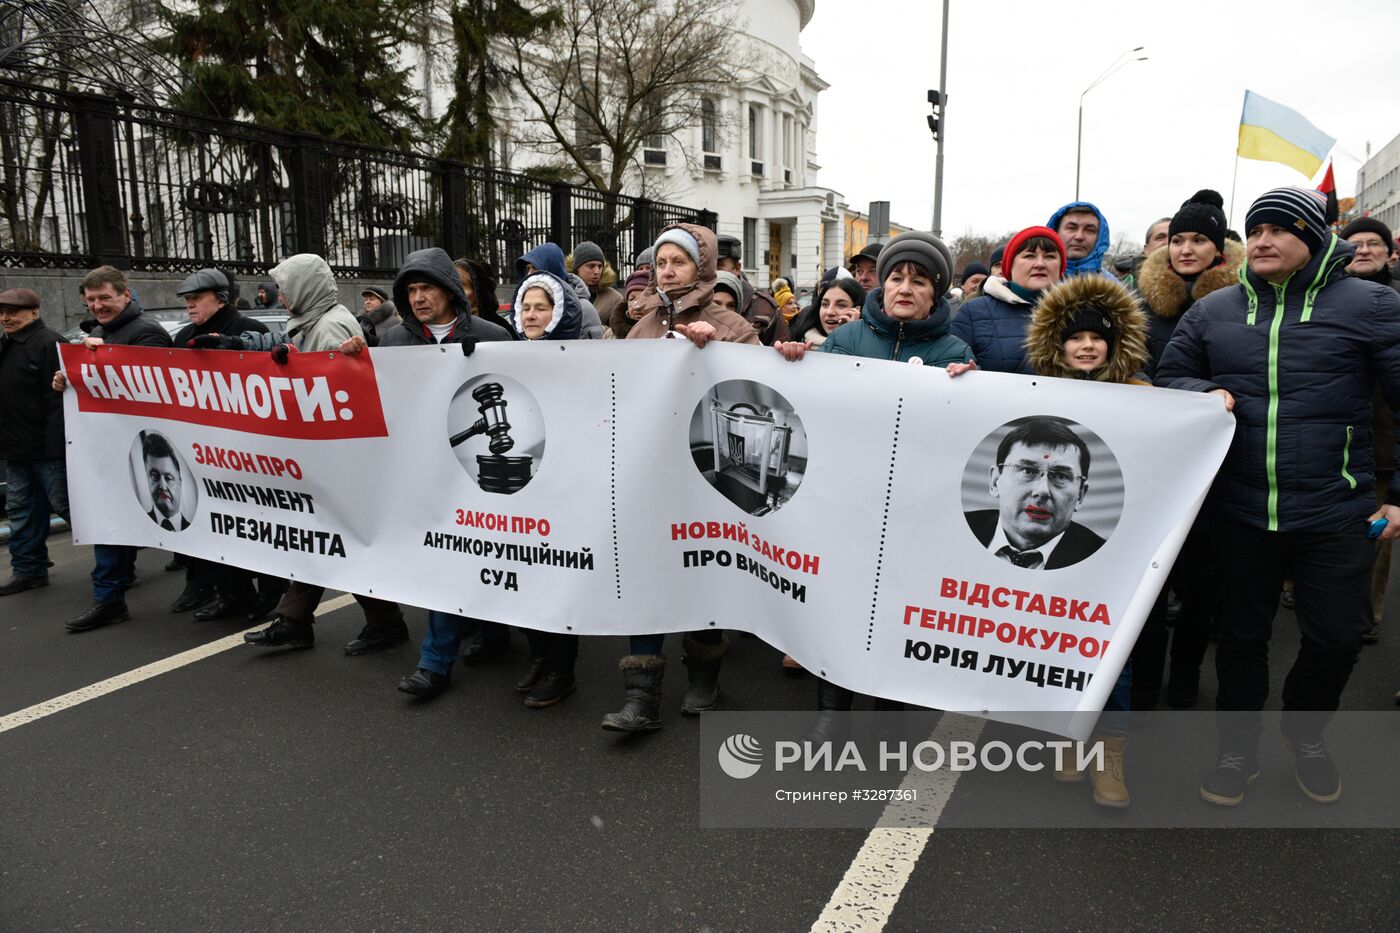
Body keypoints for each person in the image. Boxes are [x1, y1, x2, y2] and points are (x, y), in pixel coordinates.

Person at [1156, 187, 1400, 807]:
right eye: (1254, 229)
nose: (1262, 240)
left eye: (1279, 229)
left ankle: (1306, 733)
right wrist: (1200, 391)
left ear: (1314, 238)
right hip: (1240, 510)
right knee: (1241, 637)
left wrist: (1397, 495)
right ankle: (1236, 751)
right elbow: (1169, 379)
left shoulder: (1372, 306)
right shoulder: (1213, 312)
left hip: (1335, 509)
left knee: (1338, 637)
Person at [774, 231, 973, 740]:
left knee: (897, 607)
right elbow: (809, 403)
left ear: (938, 292)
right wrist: (794, 357)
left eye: (919, 280)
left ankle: (890, 711)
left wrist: (971, 385)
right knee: (840, 600)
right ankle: (832, 707)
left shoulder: (955, 351)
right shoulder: (846, 340)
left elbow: (966, 431)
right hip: (849, 499)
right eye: (896, 277)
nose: (905, 287)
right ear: (881, 286)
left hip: (912, 506)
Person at [602, 223, 758, 733]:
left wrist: (715, 352)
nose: (667, 272)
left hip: (708, 476)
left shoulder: (731, 324)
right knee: (648, 573)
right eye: (661, 263)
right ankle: (641, 696)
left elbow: (757, 395)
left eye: (680, 262)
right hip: (650, 475)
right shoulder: (640, 324)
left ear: (702, 269)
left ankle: (704, 677)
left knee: (701, 572)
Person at [395, 269, 575, 706]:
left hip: (525, 483)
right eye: (411, 291)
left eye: (427, 288)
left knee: (535, 569)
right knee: (452, 560)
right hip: (441, 478)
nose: (419, 298)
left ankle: (554, 662)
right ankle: (436, 662)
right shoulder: (394, 341)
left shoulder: (494, 336)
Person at [242, 254, 413, 655]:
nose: (281, 297)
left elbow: (339, 392)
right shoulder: (312, 322)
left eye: (286, 287)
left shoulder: (331, 325)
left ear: (304, 287)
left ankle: (380, 624)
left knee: (337, 542)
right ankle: (296, 621)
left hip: (338, 457)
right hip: (323, 454)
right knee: (320, 541)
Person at [1023, 272, 1150, 806]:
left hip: (1121, 546)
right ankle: (1067, 739)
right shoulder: (1032, 393)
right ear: (1059, 343)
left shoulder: (1145, 396)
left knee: (1112, 650)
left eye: (1098, 337)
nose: (1088, 345)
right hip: (1060, 551)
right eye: (1076, 337)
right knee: (1059, 644)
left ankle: (1109, 756)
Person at [53, 266, 174, 633]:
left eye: (104, 297)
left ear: (126, 294)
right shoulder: (102, 332)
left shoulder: (147, 333)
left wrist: (101, 358)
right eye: (90, 300)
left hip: (141, 446)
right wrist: (68, 380)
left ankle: (208, 587)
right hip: (111, 448)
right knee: (109, 521)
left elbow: (150, 384)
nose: (97, 306)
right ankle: (108, 597)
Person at [170, 268, 273, 620]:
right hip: (202, 450)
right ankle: (232, 595)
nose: (190, 307)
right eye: (187, 301)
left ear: (221, 298)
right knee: (214, 527)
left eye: (196, 299)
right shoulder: (183, 337)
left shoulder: (251, 332)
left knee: (258, 527)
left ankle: (271, 596)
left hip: (247, 451)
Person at [1341, 217, 1400, 645]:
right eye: (1354, 243)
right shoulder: (1327, 300)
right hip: (1333, 439)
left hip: (1382, 443)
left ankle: (1368, 611)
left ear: (1388, 253)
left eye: (1373, 243)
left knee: (1378, 532)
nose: (1363, 250)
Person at [964, 419, 1105, 570]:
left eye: (1060, 476)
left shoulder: (1103, 560)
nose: (1042, 491)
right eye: (1027, 471)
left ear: (1080, 494)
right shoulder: (955, 530)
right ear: (995, 482)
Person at [0, 288, 68, 596]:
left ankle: (121, 561)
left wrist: (57, 448)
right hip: (17, 451)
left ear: (34, 312)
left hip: (47, 450)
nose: (5, 318)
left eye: (13, 312)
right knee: (21, 512)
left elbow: (58, 402)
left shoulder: (49, 343)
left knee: (69, 508)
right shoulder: (8, 346)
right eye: (2, 313)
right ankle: (28, 570)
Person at [1137, 190, 1243, 375]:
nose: (1185, 250)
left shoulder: (1244, 300)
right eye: (1177, 241)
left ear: (1218, 249)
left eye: (1199, 240)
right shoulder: (1141, 303)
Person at [950, 226, 1066, 373]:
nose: (1040, 264)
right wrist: (968, 371)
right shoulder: (972, 313)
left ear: (1061, 266)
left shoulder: (1083, 313)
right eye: (1029, 256)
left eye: (1050, 256)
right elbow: (949, 364)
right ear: (1010, 266)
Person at [715, 234, 787, 345]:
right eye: (708, 265)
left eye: (718, 266)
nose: (712, 272)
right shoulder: (697, 300)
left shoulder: (765, 308)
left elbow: (780, 354)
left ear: (737, 268)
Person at [786, 275, 864, 347]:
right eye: (825, 304)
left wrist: (853, 334)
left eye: (841, 305)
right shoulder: (800, 345)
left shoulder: (870, 345)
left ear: (857, 310)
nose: (829, 312)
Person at [567, 240, 624, 332]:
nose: (597, 271)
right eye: (591, 266)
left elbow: (622, 330)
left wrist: (600, 330)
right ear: (577, 268)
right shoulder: (564, 293)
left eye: (600, 266)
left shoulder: (614, 299)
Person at [452, 257, 516, 337]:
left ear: (478, 291)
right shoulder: (442, 328)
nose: (453, 290)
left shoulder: (500, 331)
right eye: (451, 284)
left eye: (461, 285)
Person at [138, 431, 188, 532]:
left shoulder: (200, 534)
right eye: (155, 476)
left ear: (180, 481)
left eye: (168, 478)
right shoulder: (137, 527)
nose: (162, 486)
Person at [1048, 201, 1110, 277]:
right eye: (1071, 228)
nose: (1079, 237)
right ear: (1056, 232)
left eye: (1089, 230)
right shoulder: (1035, 282)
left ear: (1100, 237)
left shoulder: (1113, 286)